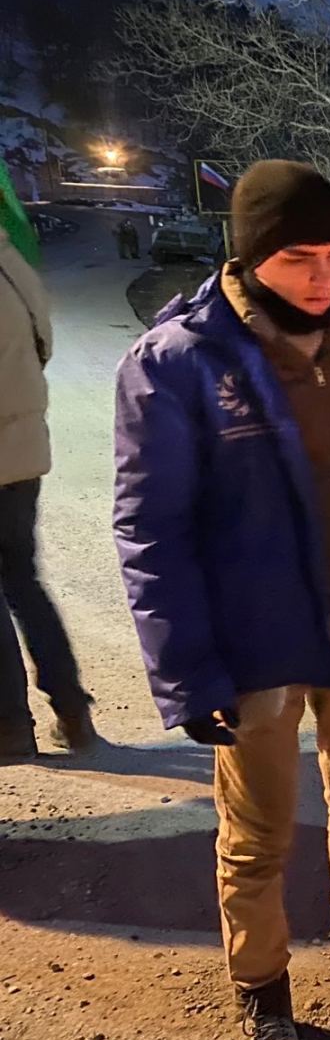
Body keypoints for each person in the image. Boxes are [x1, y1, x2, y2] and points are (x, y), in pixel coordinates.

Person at [113, 161, 330, 1040]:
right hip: (255, 634)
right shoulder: (180, 361)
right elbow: (152, 531)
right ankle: (262, 991)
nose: (324, 276)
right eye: (301, 258)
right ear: (250, 256)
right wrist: (188, 675)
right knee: (258, 829)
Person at [0, 226, 94, 762]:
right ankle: (72, 712)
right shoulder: (12, 261)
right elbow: (43, 345)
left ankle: (10, 725)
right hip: (24, 447)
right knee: (23, 579)